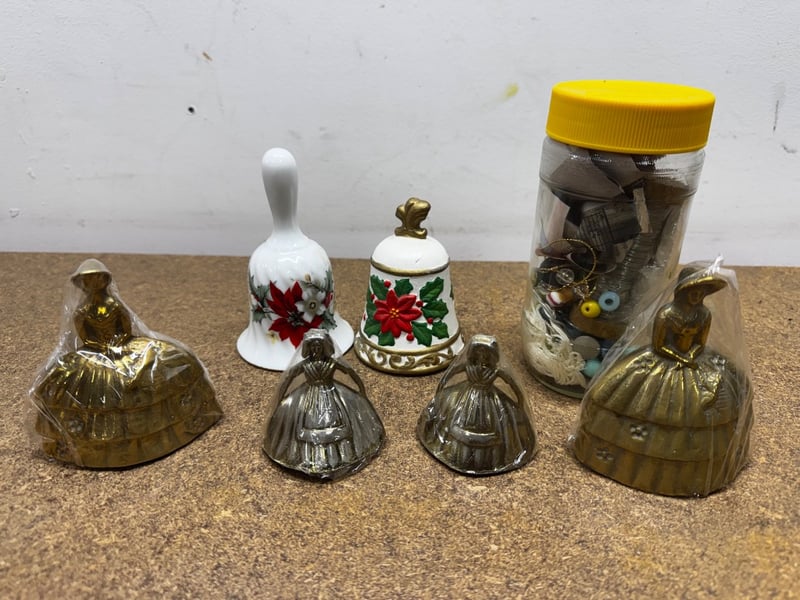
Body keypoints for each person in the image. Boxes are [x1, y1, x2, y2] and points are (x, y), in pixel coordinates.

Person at [573, 267, 753, 496]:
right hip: (662, 359)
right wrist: (680, 358)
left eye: (701, 292)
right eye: (693, 291)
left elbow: (700, 342)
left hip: (692, 361)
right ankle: (619, 461)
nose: (697, 296)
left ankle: (681, 475)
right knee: (634, 400)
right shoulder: (667, 314)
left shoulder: (703, 315)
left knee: (703, 407)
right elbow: (659, 345)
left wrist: (691, 356)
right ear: (682, 291)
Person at [31, 259, 221, 468]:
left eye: (96, 278)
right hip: (95, 354)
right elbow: (85, 336)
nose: (93, 283)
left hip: (123, 348)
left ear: (104, 280)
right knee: (81, 389)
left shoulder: (114, 305)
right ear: (81, 284)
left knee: (171, 361)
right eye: (87, 280)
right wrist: (100, 348)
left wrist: (117, 346)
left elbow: (125, 329)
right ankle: (99, 449)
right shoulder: (82, 311)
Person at [263, 329, 384, 480]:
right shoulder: (304, 365)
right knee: (307, 424)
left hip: (331, 394)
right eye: (313, 346)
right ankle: (308, 458)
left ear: (325, 347)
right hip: (309, 396)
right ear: (308, 348)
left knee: (338, 421)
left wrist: (362, 392)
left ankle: (340, 456)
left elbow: (351, 373)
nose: (316, 349)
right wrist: (280, 399)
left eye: (319, 346)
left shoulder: (332, 363)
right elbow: (288, 379)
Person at [417, 335, 537, 475]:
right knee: (457, 424)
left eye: (486, 354)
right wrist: (440, 394)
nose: (482, 357)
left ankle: (487, 460)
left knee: (494, 427)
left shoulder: (495, 370)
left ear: (492, 355)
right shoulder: (468, 366)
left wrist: (520, 404)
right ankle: (458, 455)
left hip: (489, 400)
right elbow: (449, 375)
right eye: (479, 353)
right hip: (466, 397)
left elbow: (513, 384)